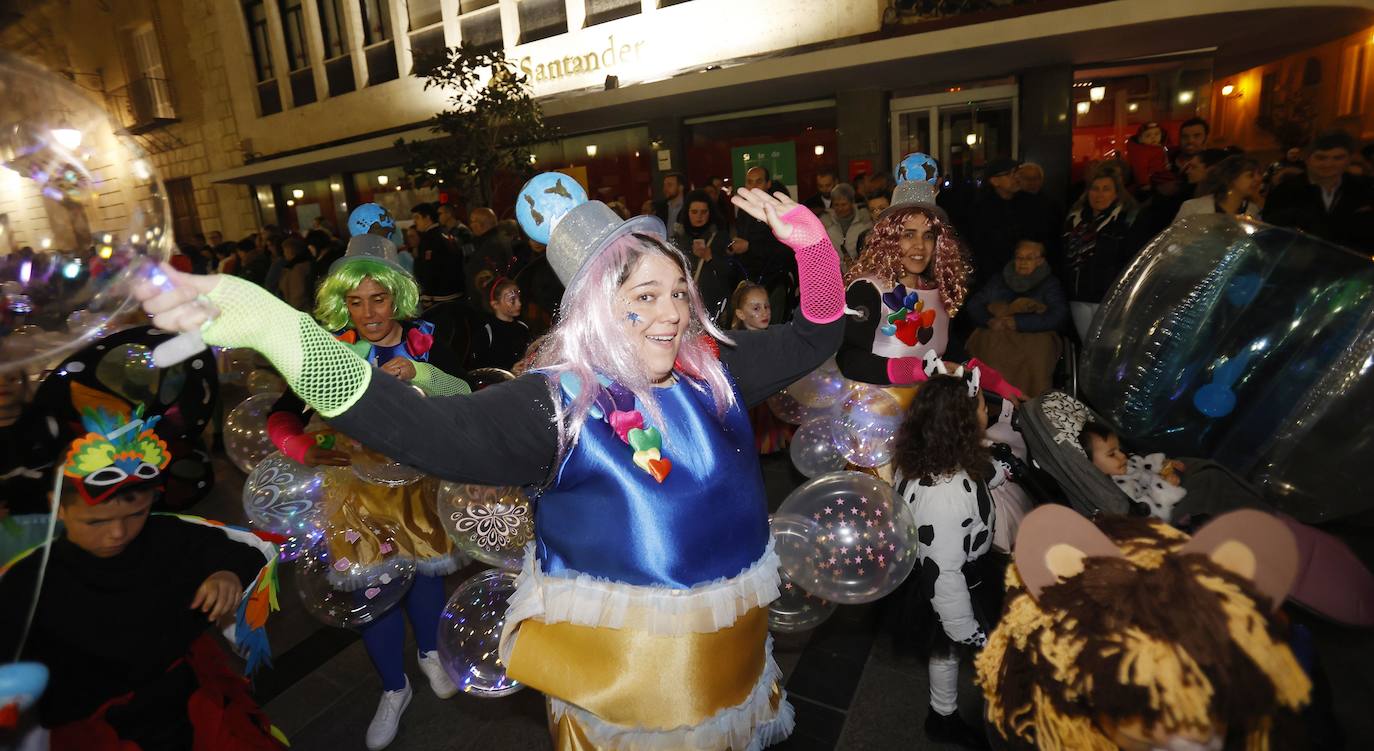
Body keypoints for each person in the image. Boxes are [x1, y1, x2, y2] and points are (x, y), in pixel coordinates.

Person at [136, 181, 848, 750]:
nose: (670, 314)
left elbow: (818, 331)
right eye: (644, 296)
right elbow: (413, 424)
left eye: (676, 294)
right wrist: (280, 329)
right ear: (599, 307)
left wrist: (813, 248)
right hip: (628, 694)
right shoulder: (556, 408)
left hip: (736, 665)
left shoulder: (712, 378)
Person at [264, 236, 469, 750]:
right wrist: (300, 448)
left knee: (424, 578)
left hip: (418, 485)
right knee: (373, 593)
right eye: (356, 302)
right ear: (342, 304)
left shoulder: (424, 338)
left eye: (378, 299)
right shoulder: (331, 349)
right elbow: (281, 414)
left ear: (396, 295)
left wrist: (420, 371)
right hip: (354, 494)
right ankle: (392, 688)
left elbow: (468, 395)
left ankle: (427, 654)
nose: (368, 312)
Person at [0, 406, 284, 750]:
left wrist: (225, 573)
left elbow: (236, 550)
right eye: (96, 522)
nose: (118, 533)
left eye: (136, 514)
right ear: (58, 506)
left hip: (182, 692)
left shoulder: (161, 535)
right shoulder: (31, 579)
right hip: (93, 722)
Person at [891, 369, 1012, 749]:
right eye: (980, 407)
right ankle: (946, 717)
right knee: (952, 646)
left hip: (956, 571)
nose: (987, 413)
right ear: (959, 423)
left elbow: (974, 474)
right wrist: (965, 628)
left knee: (944, 652)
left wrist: (995, 474)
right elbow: (944, 573)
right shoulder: (945, 497)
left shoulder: (931, 459)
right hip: (954, 582)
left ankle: (942, 712)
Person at [964, 239, 1066, 397]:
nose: (1023, 262)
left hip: (1036, 334)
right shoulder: (999, 280)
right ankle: (990, 402)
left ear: (1040, 261)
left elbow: (1058, 316)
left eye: (1029, 258)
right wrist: (988, 320)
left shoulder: (1050, 284)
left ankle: (1030, 405)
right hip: (997, 331)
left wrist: (1019, 323)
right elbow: (974, 305)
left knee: (1037, 354)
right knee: (988, 348)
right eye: (1019, 257)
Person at [1061, 165, 1139, 340]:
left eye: (1106, 189)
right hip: (1078, 297)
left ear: (1116, 193)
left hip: (1110, 299)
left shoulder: (1126, 221)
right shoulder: (1074, 220)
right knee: (1087, 347)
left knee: (1109, 350)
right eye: (1095, 189)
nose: (1099, 194)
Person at [1263, 129, 1374, 250]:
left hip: (1356, 265)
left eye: (1338, 158)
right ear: (1307, 159)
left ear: (1349, 159)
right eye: (1321, 158)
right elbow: (1270, 233)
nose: (1329, 164)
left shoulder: (1365, 188)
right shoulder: (1286, 191)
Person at [966, 158, 1051, 287]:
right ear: (994, 181)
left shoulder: (1031, 204)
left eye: (1016, 172)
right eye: (1009, 174)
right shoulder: (981, 210)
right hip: (994, 279)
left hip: (1031, 275)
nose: (1016, 177)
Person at [729, 281, 792, 454]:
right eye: (756, 309)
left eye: (767, 306)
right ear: (741, 314)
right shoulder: (738, 342)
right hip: (754, 403)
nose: (764, 312)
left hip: (775, 402)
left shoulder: (774, 336)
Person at [1079, 422, 1186, 522]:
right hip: (1164, 510)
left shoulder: (1125, 465)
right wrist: (1166, 487)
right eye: (1112, 454)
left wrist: (1164, 463)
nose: (1122, 455)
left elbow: (1144, 464)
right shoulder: (1116, 490)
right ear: (1090, 465)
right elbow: (1148, 512)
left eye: (1119, 450)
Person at [730, 166, 797, 323]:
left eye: (758, 181)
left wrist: (750, 247)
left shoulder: (778, 210)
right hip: (751, 278)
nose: (753, 186)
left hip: (776, 278)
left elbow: (786, 249)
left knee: (772, 325)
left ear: (768, 184)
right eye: (749, 182)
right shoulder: (744, 210)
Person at [671, 190, 737, 325]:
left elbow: (732, 272)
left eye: (704, 212)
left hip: (714, 303)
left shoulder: (720, 237)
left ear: (710, 213)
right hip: (687, 303)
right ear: (687, 213)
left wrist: (710, 257)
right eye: (694, 212)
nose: (699, 216)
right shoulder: (679, 239)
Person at [467, 277, 531, 371]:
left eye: (519, 298)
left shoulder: (523, 327)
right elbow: (479, 368)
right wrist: (509, 371)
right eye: (512, 300)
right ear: (495, 304)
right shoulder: (487, 333)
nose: (519, 303)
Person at [1175, 154, 1263, 221]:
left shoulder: (1253, 211)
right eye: (1250, 175)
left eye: (1259, 174)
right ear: (1232, 177)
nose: (1258, 179)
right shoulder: (1193, 208)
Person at [410, 202, 465, 307]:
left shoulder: (430, 239)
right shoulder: (444, 232)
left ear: (427, 217)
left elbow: (430, 268)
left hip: (441, 296)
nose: (415, 222)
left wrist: (427, 293)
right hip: (454, 292)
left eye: (417, 218)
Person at [466, 207, 514, 311]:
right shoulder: (493, 241)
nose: (470, 225)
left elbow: (492, 278)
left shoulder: (492, 245)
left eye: (472, 221)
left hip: (489, 306)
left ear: (482, 224)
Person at [821, 183, 873, 264]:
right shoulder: (825, 223)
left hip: (859, 271)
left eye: (844, 204)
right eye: (836, 205)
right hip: (835, 272)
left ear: (852, 203)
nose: (840, 208)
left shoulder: (865, 221)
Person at [1125, 121, 1170, 193]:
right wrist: (1144, 183)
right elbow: (1140, 168)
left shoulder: (1160, 147)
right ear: (1140, 139)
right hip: (1151, 182)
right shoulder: (1141, 152)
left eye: (1157, 134)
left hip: (1161, 178)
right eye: (1148, 135)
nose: (1153, 137)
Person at [278, 236, 315, 311]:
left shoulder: (297, 269)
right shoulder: (293, 267)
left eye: (285, 251)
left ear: (291, 251)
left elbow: (298, 296)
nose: (284, 254)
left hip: (300, 310)